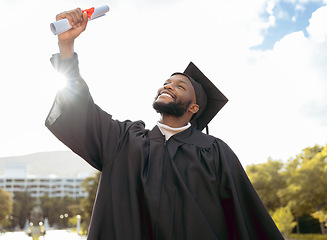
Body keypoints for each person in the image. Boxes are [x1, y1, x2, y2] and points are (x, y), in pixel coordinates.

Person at [46, 8, 284, 240]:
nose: (168, 86)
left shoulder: (215, 152)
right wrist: (66, 46)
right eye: (167, 82)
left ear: (194, 108)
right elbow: (79, 108)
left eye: (180, 86)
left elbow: (247, 218)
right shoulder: (124, 140)